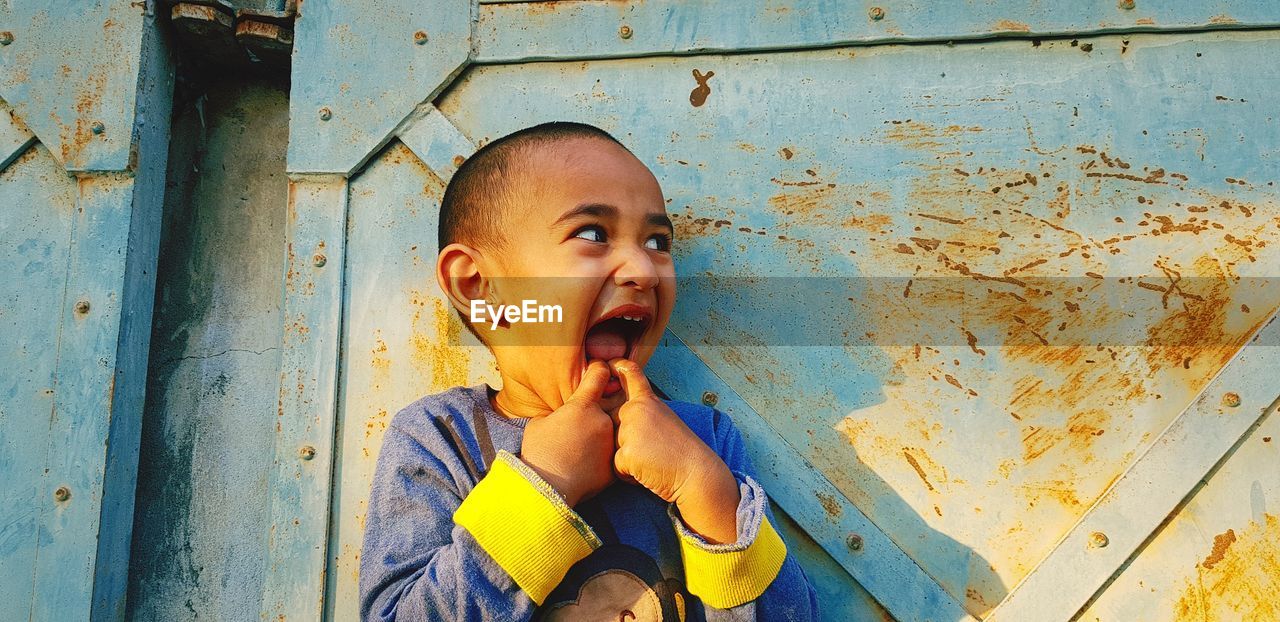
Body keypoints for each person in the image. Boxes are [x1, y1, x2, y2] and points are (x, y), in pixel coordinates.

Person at [359, 121, 818, 621]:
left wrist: (703, 489)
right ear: (478, 286)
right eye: (593, 233)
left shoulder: (703, 438)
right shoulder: (441, 439)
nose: (643, 269)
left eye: (659, 243)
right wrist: (542, 486)